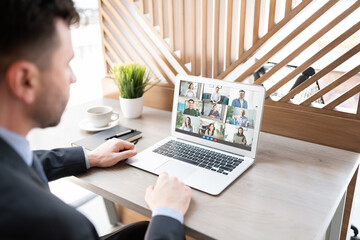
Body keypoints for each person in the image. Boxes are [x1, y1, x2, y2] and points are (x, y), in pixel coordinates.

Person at [0, 1, 191, 239]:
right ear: (24, 80)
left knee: (141, 229)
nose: (73, 78)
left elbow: (21, 162)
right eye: (66, 63)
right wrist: (168, 212)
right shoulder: (61, 226)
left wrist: (90, 157)